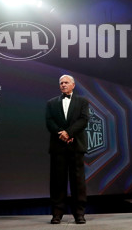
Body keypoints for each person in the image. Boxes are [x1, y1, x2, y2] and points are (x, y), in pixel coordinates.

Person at [45, 74, 90, 224]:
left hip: (76, 145)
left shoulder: (82, 101)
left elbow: (84, 119)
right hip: (58, 146)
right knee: (58, 181)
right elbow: (49, 121)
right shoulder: (51, 103)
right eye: (61, 83)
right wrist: (62, 134)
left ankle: (79, 214)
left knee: (78, 181)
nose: (63, 85)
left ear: (73, 85)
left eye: (66, 82)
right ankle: (57, 214)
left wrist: (69, 133)